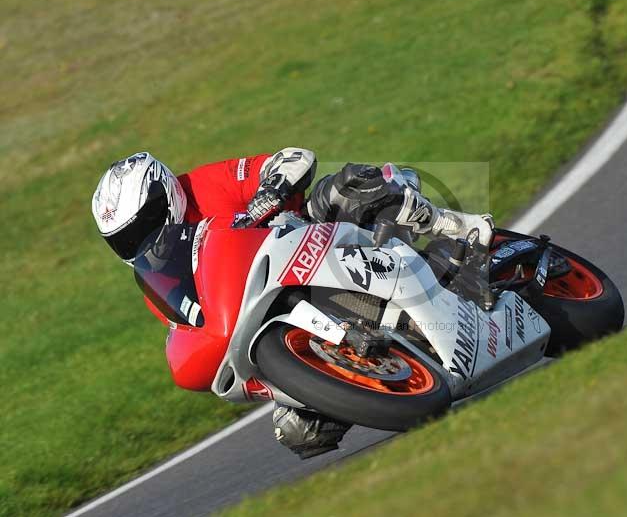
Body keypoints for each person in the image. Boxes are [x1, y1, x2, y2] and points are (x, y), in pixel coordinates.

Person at [91, 148, 493, 458]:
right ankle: (376, 370)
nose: (141, 242)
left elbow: (294, 157)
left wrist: (272, 190)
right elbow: (198, 329)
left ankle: (461, 231)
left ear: (167, 195)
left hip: (311, 237)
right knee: (300, 433)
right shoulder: (158, 283)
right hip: (268, 306)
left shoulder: (204, 185)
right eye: (126, 240)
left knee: (350, 186)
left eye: (145, 225)